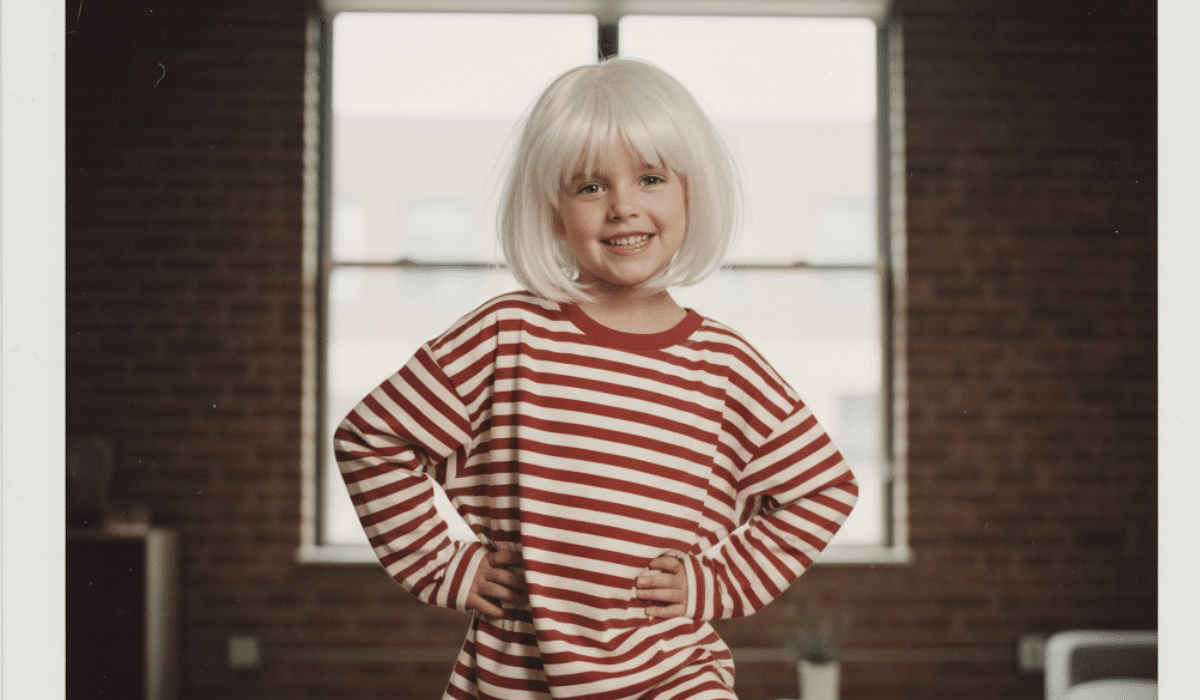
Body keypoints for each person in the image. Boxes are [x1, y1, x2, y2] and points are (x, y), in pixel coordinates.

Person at [334, 58, 858, 700]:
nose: (623, 207)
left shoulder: (726, 366)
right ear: (554, 212)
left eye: (649, 177)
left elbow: (823, 488)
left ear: (690, 194)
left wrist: (715, 582)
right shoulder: (505, 337)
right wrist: (447, 565)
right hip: (518, 676)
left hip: (675, 677)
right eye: (589, 187)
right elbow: (370, 440)